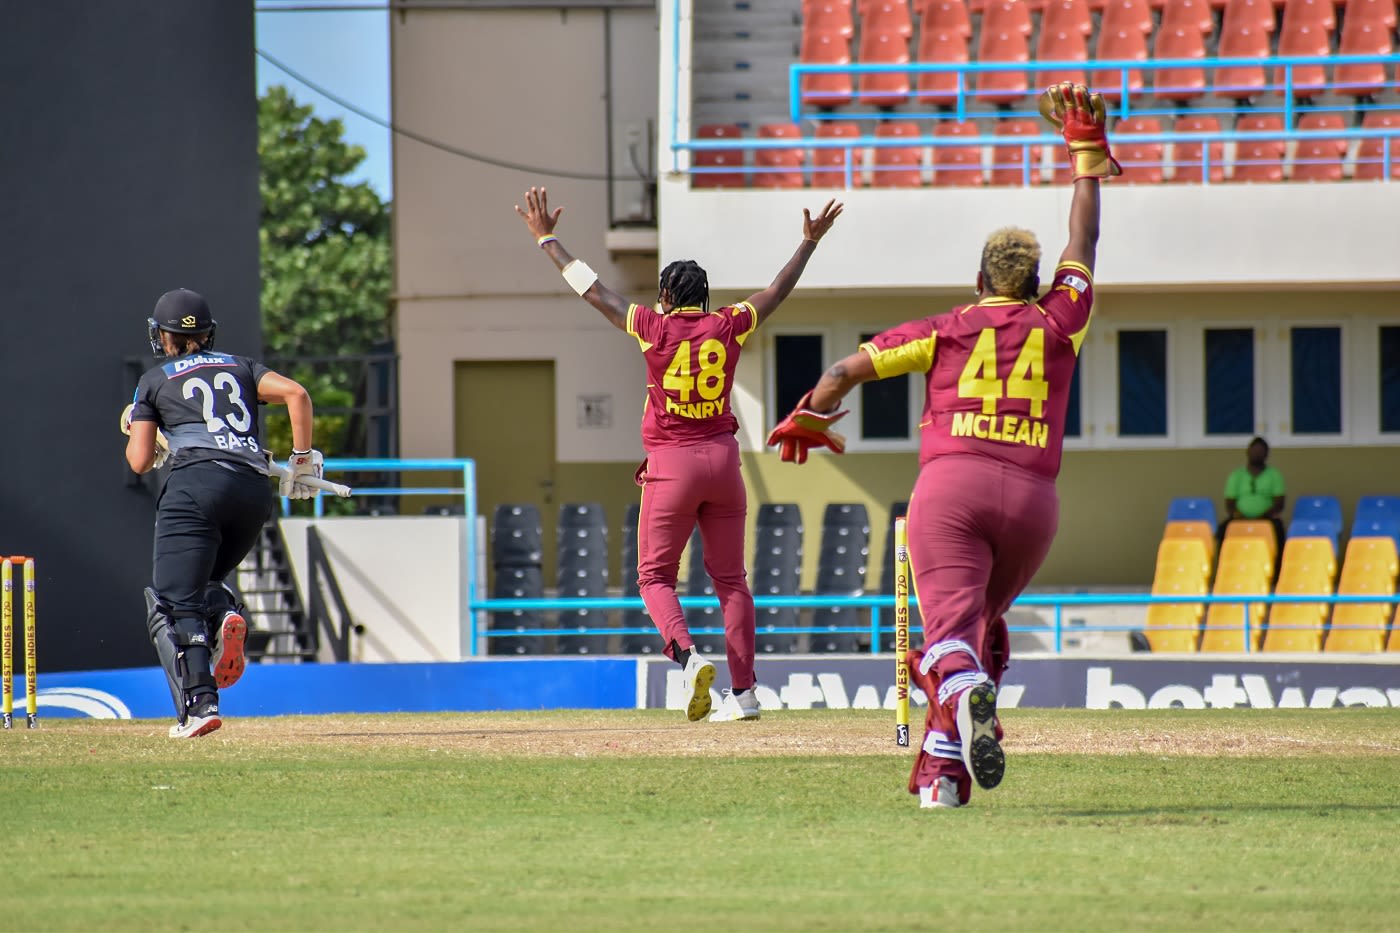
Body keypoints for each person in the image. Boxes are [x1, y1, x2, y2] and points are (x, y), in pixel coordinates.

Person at [767, 82, 1115, 808]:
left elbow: (842, 371)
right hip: (1033, 504)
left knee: (950, 647)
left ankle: (967, 694)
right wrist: (1085, 158)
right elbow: (1084, 243)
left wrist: (810, 415)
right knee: (980, 632)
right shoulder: (1062, 320)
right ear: (1037, 282)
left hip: (952, 491)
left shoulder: (944, 329)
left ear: (978, 280)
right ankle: (943, 779)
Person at [515, 186, 842, 723]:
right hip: (724, 461)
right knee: (731, 580)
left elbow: (593, 290)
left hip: (672, 464)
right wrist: (808, 243)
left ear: (666, 297)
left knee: (654, 578)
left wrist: (547, 239)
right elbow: (776, 291)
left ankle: (689, 659)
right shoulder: (728, 324)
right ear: (705, 298)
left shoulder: (653, 326)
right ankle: (746, 695)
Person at [123, 288, 324, 738]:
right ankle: (223, 613)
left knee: (173, 603)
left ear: (163, 336)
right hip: (251, 493)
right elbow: (296, 394)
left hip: (195, 489)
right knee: (204, 583)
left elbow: (139, 461)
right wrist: (301, 458)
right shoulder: (242, 366)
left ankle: (200, 704)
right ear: (208, 332)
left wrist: (144, 430)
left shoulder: (154, 381)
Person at [1219, 436, 1286, 549]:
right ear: (1248, 451)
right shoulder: (1236, 475)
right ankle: (1226, 559)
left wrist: (1262, 518)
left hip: (1267, 519)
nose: (1257, 453)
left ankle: (1277, 561)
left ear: (1266, 454)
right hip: (1239, 518)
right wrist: (1241, 517)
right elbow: (1229, 503)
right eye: (1254, 450)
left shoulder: (1275, 475)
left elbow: (1279, 503)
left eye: (1261, 451)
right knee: (1222, 530)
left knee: (1279, 531)